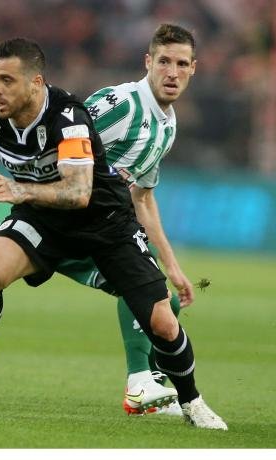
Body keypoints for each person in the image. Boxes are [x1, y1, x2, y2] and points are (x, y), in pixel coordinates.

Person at [0, 37, 227, 430]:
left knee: (164, 321)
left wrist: (21, 190)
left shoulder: (68, 119)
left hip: (105, 223)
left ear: (35, 83)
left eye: (7, 80)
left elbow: (79, 194)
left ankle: (191, 401)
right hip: (44, 218)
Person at [56, 23, 198, 417]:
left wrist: (173, 266)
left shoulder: (168, 125)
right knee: (139, 286)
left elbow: (143, 197)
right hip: (66, 222)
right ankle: (140, 383)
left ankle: (149, 388)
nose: (172, 72)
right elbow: (61, 138)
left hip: (104, 225)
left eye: (181, 64)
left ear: (193, 69)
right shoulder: (122, 104)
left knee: (166, 299)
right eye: (164, 61)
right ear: (148, 62)